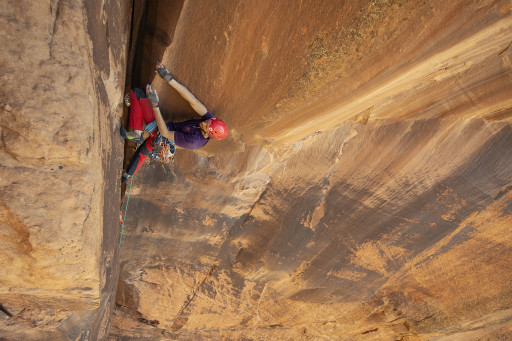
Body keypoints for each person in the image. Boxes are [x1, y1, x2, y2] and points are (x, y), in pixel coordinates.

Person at [121, 62, 228, 183]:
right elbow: (191, 100)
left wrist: (155, 105)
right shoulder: (209, 122)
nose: (204, 121)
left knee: (136, 93)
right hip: (161, 137)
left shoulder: (193, 142)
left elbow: (165, 133)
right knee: (144, 150)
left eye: (206, 124)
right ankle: (127, 176)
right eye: (208, 120)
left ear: (208, 134)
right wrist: (169, 78)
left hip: (162, 135)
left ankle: (136, 132)